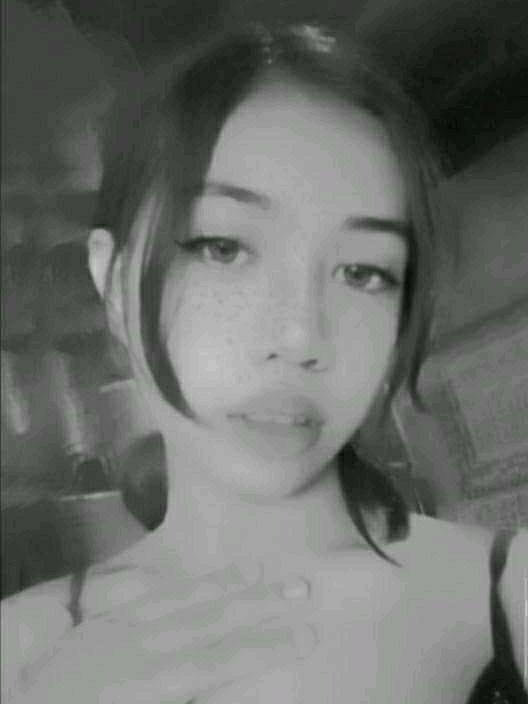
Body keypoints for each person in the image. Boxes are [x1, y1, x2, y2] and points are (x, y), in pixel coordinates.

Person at [2, 22, 526, 704]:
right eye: (223, 248)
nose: (301, 334)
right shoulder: (22, 648)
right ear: (114, 283)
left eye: (363, 272)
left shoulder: (508, 591)